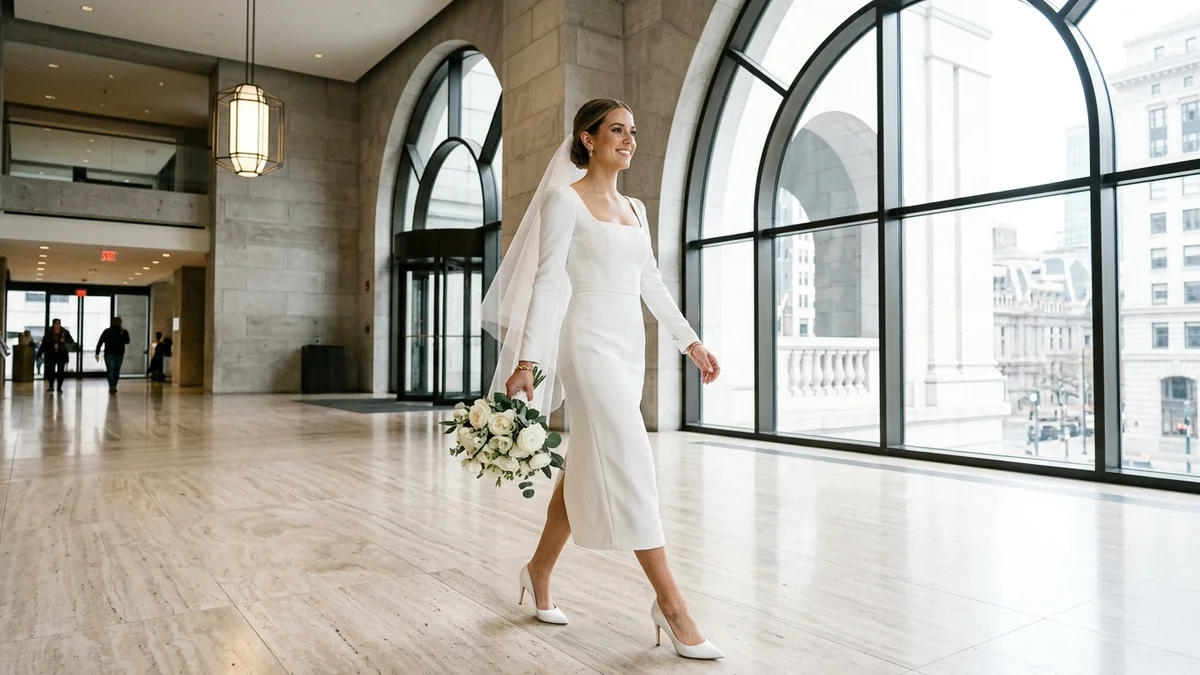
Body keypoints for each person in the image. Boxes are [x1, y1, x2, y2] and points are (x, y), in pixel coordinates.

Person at [482, 99, 723, 660]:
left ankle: (537, 571)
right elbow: (545, 285)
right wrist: (527, 362)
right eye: (617, 130)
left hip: (627, 344)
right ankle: (671, 605)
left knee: (590, 460)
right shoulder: (563, 201)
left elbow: (652, 284)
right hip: (584, 340)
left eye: (633, 131)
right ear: (587, 139)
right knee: (629, 456)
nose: (629, 140)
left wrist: (690, 341)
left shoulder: (636, 207)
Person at [36, 319, 75, 394]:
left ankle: (59, 388)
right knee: (51, 371)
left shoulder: (65, 332)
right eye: (55, 324)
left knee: (61, 371)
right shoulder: (49, 332)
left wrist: (73, 347)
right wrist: (39, 354)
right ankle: (51, 386)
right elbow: (44, 344)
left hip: (62, 354)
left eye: (58, 324)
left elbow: (71, 342)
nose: (57, 326)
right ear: (53, 325)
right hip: (51, 354)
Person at [96, 317, 131, 394]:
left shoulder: (110, 331)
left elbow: (100, 342)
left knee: (112, 371)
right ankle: (113, 386)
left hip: (112, 354)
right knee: (114, 371)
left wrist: (97, 352)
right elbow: (127, 341)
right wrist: (97, 352)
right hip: (115, 354)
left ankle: (113, 386)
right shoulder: (110, 331)